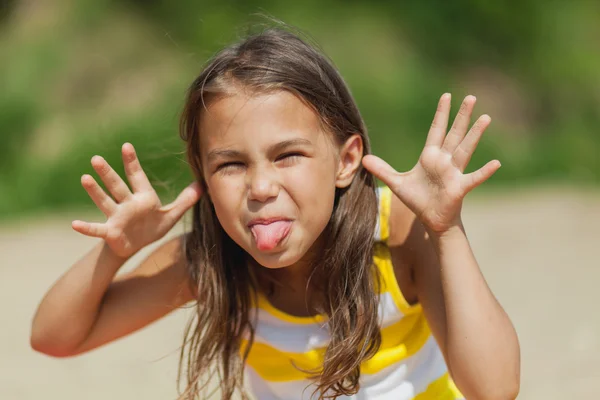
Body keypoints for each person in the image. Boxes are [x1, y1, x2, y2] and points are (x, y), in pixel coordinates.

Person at [30, 27, 520, 400]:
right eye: (231, 164)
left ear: (346, 161)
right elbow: (54, 339)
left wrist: (447, 231)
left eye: (288, 156)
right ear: (201, 172)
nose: (261, 188)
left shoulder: (397, 237)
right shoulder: (210, 262)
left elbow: (494, 388)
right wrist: (115, 253)